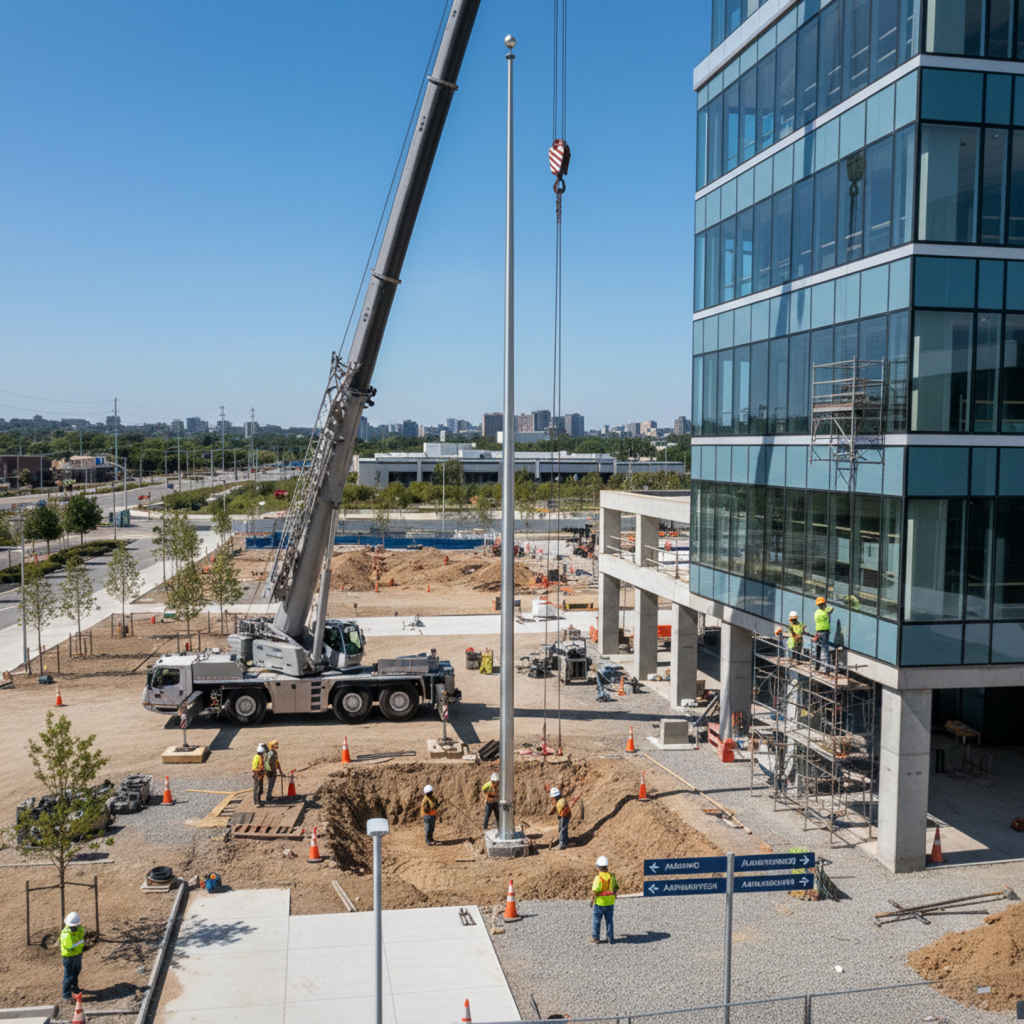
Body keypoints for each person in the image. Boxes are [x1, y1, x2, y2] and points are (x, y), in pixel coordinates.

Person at [590, 856, 619, 944]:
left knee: (597, 920)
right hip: (610, 902)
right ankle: (610, 938)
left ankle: (596, 937)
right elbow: (616, 888)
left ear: (598, 867)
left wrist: (592, 900)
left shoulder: (598, 878)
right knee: (609, 920)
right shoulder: (612, 876)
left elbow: (595, 890)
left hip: (600, 903)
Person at [60, 911, 85, 1001]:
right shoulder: (65, 935)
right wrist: (80, 944)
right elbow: (69, 947)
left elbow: (82, 934)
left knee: (76, 971)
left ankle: (74, 988)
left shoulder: (80, 928)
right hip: (69, 956)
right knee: (68, 975)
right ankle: (66, 995)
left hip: (77, 954)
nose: (74, 928)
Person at [813, 597, 835, 670]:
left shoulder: (816, 612)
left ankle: (817, 666)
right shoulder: (825, 613)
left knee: (818, 648)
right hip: (825, 632)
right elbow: (832, 609)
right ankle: (828, 667)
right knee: (825, 649)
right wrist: (827, 605)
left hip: (818, 632)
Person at [251, 743, 267, 807]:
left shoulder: (255, 757)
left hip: (255, 775)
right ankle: (258, 801)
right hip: (258, 775)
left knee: (256, 788)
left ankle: (256, 801)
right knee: (260, 789)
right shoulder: (260, 758)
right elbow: (261, 767)